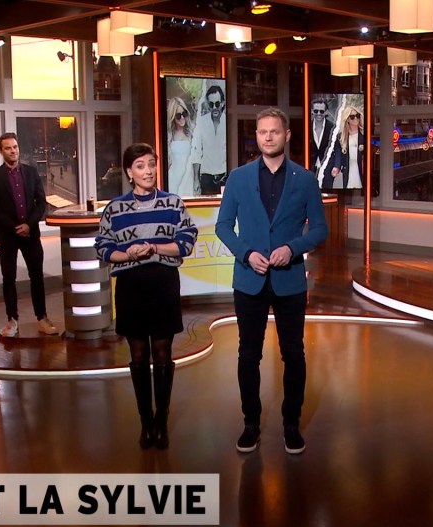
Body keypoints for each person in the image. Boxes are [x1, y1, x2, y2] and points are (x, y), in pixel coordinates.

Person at [216, 107, 329, 455]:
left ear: (287, 135)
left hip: (289, 281)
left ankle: (291, 425)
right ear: (257, 136)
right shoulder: (238, 178)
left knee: (293, 353)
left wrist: (292, 248)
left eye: (274, 131)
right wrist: (246, 253)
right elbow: (223, 226)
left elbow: (320, 229)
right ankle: (250, 424)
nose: (268, 137)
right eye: (262, 132)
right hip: (249, 279)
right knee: (248, 354)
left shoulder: (305, 180)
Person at [95, 143, 198, 450]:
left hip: (163, 284)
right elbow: (103, 247)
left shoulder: (172, 203)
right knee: (138, 354)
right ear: (129, 172)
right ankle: (146, 423)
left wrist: (154, 248)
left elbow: (186, 241)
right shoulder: (115, 208)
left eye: (151, 164)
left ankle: (161, 421)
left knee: (163, 353)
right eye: (141, 166)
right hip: (131, 286)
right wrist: (127, 254)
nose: (148, 171)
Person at [0, 132, 60, 337]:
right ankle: (12, 321)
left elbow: (41, 202)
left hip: (31, 234)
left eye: (15, 147)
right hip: (7, 236)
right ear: (1, 151)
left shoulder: (31, 172)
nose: (13, 151)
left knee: (37, 277)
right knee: (9, 278)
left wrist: (28, 225)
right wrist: (15, 227)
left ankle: (42, 318)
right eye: (8, 148)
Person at [191, 84, 227, 196]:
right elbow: (196, 152)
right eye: (211, 104)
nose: (214, 107)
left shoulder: (228, 122)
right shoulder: (202, 123)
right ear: (208, 105)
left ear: (222, 103)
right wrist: (196, 180)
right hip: (206, 178)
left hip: (225, 176)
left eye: (217, 103)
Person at [166, 97, 195, 197]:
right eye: (178, 116)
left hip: (189, 177)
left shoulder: (192, 132)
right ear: (173, 117)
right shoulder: (169, 136)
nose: (182, 118)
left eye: (184, 114)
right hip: (173, 179)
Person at [308, 97, 339, 188]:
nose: (318, 114)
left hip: (328, 168)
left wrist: (337, 166)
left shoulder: (332, 127)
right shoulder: (307, 127)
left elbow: (337, 148)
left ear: (326, 112)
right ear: (312, 111)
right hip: (310, 167)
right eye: (316, 111)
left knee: (327, 192)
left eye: (321, 111)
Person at [334, 103, 365, 189]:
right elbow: (338, 154)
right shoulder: (341, 137)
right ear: (347, 119)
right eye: (352, 117)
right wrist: (336, 167)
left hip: (361, 169)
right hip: (348, 168)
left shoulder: (364, 135)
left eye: (357, 116)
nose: (355, 118)